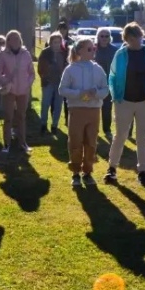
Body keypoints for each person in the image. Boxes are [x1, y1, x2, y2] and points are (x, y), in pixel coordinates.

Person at [106, 22, 145, 186]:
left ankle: (143, 171)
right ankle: (112, 168)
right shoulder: (120, 54)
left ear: (141, 36)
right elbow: (112, 75)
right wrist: (115, 94)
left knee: (142, 138)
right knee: (120, 136)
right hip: (123, 100)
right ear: (126, 39)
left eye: (137, 37)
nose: (135, 41)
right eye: (131, 38)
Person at [59, 38, 109, 187]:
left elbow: (105, 89)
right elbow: (62, 90)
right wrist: (79, 93)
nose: (93, 51)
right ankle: (75, 172)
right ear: (79, 51)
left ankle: (87, 172)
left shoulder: (98, 68)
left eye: (93, 48)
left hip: (94, 110)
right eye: (89, 49)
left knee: (91, 142)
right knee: (76, 141)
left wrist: (97, 93)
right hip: (77, 110)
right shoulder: (70, 69)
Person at [0, 30, 35, 154]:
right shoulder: (3, 54)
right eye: (12, 38)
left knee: (21, 116)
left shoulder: (26, 54)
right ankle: (7, 143)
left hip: (23, 90)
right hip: (9, 90)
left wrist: (28, 84)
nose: (15, 40)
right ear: (8, 41)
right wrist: (5, 81)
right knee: (8, 117)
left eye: (17, 38)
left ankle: (22, 142)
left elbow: (32, 73)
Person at [37, 33, 67, 135]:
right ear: (50, 43)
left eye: (58, 42)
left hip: (60, 82)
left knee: (58, 105)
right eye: (54, 42)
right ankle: (43, 124)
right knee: (45, 104)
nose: (56, 44)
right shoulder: (45, 52)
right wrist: (45, 77)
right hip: (48, 82)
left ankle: (54, 125)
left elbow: (67, 66)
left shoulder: (64, 53)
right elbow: (40, 68)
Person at [94, 27, 118, 139]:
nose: (104, 38)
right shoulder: (92, 49)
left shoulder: (114, 50)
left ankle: (107, 130)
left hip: (109, 83)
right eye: (101, 36)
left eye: (106, 36)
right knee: (93, 107)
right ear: (98, 37)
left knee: (107, 107)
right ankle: (93, 129)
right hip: (94, 82)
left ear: (110, 38)